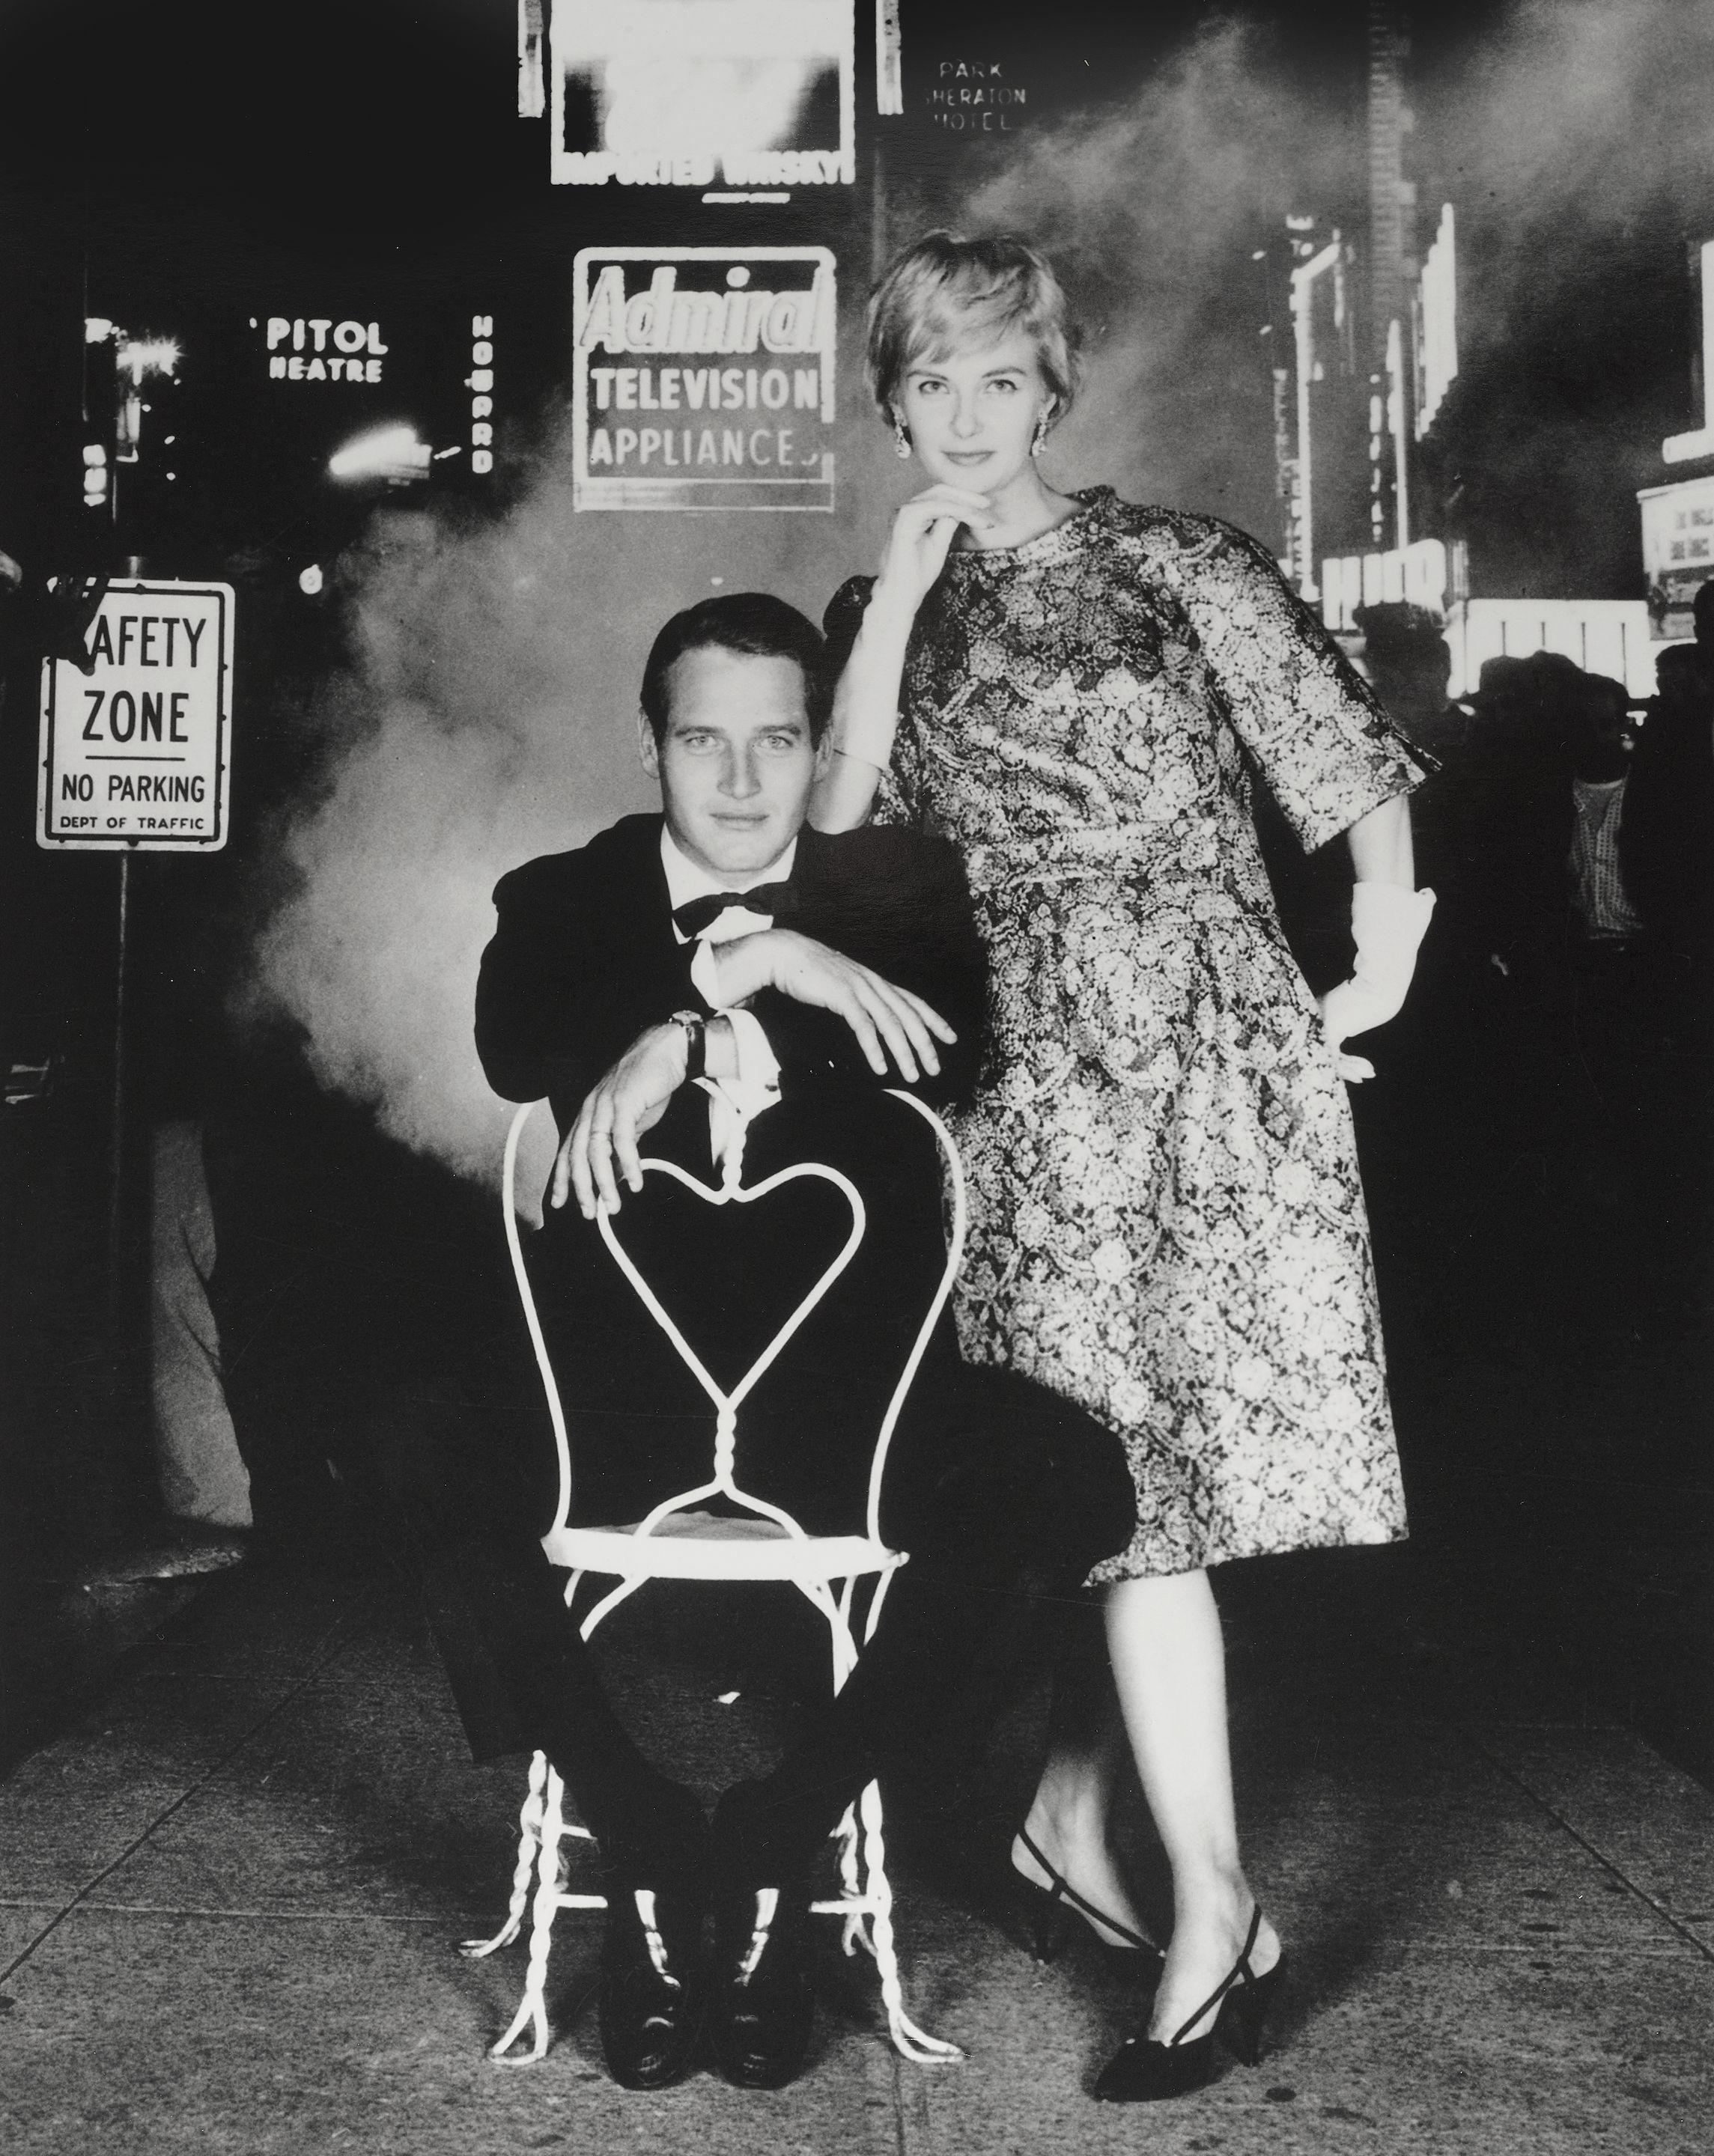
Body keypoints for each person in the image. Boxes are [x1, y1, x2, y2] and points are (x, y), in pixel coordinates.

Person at [812, 232, 1435, 2102]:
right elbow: (838, 845)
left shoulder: (1180, 563)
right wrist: (899, 608)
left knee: (1163, 1484)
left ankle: (1190, 1893)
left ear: (1051, 387)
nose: (968, 416)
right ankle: (1120, 1855)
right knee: (1107, 1484)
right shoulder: (894, 603)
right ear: (895, 398)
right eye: (932, 382)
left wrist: (1377, 953)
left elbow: (1345, 766)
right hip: (1027, 1088)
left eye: (1002, 378)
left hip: (1210, 1054)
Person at [455, 592, 1134, 2093]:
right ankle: (640, 1841)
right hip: (614, 1400)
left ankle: (778, 1835)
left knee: (1070, 1486)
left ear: (820, 744)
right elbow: (517, 1045)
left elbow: (955, 1049)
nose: (744, 782)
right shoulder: (561, 898)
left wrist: (786, 963)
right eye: (704, 739)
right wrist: (704, 996)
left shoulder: (895, 895)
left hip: (848, 1404)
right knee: (391, 1437)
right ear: (652, 744)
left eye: (779, 740)